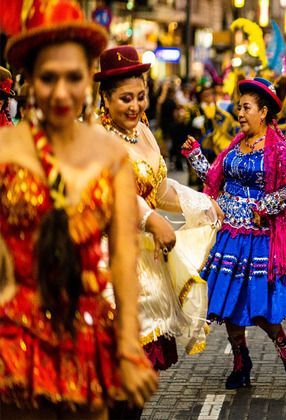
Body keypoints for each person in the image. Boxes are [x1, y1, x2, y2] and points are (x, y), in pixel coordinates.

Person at [0, 0, 158, 416]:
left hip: (88, 336)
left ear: (89, 78)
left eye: (73, 77)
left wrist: (126, 345)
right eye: (48, 78)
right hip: (11, 339)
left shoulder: (110, 156)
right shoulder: (4, 151)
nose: (61, 92)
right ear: (29, 79)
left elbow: (123, 258)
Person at [182, 78, 286, 389]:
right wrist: (195, 157)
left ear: (263, 112)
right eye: (239, 107)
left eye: (246, 108)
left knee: (257, 306)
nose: (239, 113)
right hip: (228, 235)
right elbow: (215, 179)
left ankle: (283, 345)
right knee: (229, 304)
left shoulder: (277, 149)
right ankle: (240, 362)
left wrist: (266, 204)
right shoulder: (236, 143)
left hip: (258, 237)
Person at [95, 45, 223, 373]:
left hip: (147, 265)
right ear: (106, 99)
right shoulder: (96, 139)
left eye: (141, 96)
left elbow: (160, 189)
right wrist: (150, 218)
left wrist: (203, 203)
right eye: (126, 98)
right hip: (109, 264)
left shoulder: (143, 132)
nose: (135, 105)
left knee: (141, 378)